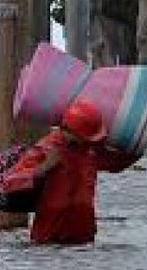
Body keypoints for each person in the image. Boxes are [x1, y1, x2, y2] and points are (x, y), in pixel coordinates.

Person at [26, 99, 136, 245]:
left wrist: (138, 147)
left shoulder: (91, 150)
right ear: (67, 130)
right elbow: (11, 182)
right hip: (50, 234)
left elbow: (117, 164)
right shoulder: (46, 148)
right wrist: (45, 167)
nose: (87, 140)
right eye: (84, 136)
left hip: (83, 232)